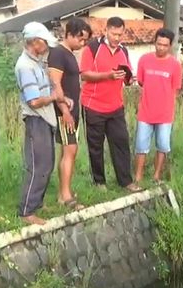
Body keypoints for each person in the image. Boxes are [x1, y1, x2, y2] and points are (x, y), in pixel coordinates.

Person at [80, 16, 141, 193]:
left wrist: (130, 79)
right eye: (114, 34)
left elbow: (126, 76)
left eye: (120, 34)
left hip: (115, 106)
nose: (117, 38)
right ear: (106, 30)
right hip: (93, 105)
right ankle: (99, 182)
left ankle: (126, 181)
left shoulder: (124, 51)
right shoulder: (92, 47)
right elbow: (84, 74)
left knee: (121, 142)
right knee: (96, 146)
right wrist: (108, 75)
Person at [15, 21, 66, 226]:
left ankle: (37, 203)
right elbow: (34, 101)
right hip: (36, 120)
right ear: (35, 42)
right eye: (44, 42)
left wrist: (59, 98)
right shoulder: (25, 66)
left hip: (45, 119)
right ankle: (27, 210)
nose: (46, 46)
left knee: (47, 163)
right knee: (38, 166)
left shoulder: (37, 61)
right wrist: (55, 97)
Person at [47, 17, 92, 211]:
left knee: (69, 150)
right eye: (80, 39)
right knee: (70, 149)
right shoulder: (58, 53)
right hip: (64, 112)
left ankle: (63, 192)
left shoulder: (69, 53)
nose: (82, 44)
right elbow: (55, 84)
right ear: (70, 34)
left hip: (72, 110)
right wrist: (65, 110)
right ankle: (65, 196)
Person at [134, 28, 183, 184]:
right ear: (154, 42)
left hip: (165, 114)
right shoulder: (144, 60)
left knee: (162, 145)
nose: (161, 47)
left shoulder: (175, 65)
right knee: (141, 146)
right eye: (158, 44)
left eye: (164, 45)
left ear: (170, 46)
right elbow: (141, 82)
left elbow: (176, 88)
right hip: (145, 112)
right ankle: (138, 176)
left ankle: (156, 176)